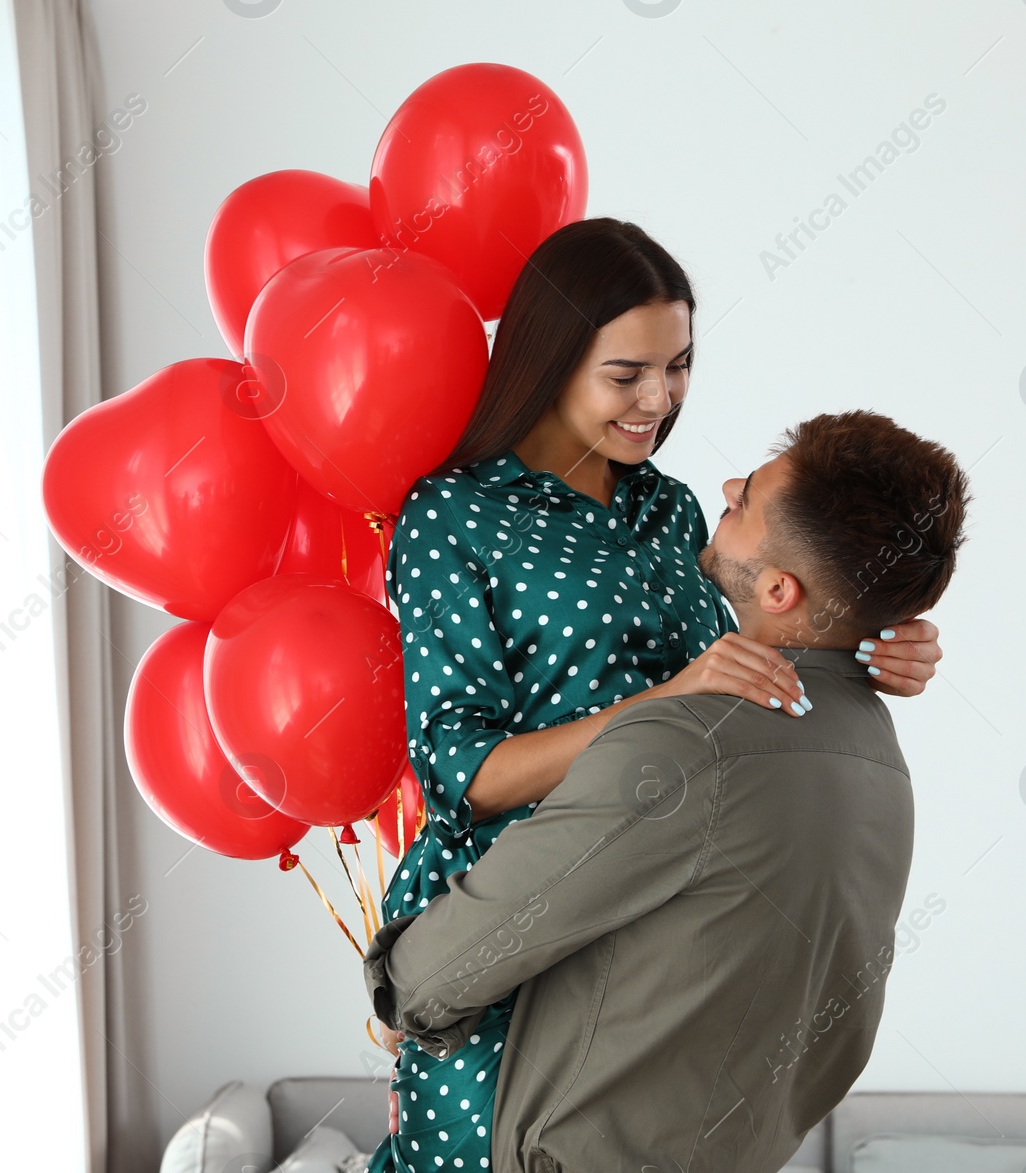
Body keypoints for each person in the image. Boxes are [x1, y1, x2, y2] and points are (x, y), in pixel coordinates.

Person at [365, 218, 945, 1173]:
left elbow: (791, 600)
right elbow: (458, 771)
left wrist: (886, 635)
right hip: (500, 932)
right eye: (627, 374)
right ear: (551, 361)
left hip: (645, 922)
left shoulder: (667, 506)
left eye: (678, 365)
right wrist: (657, 706)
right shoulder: (455, 515)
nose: (660, 399)